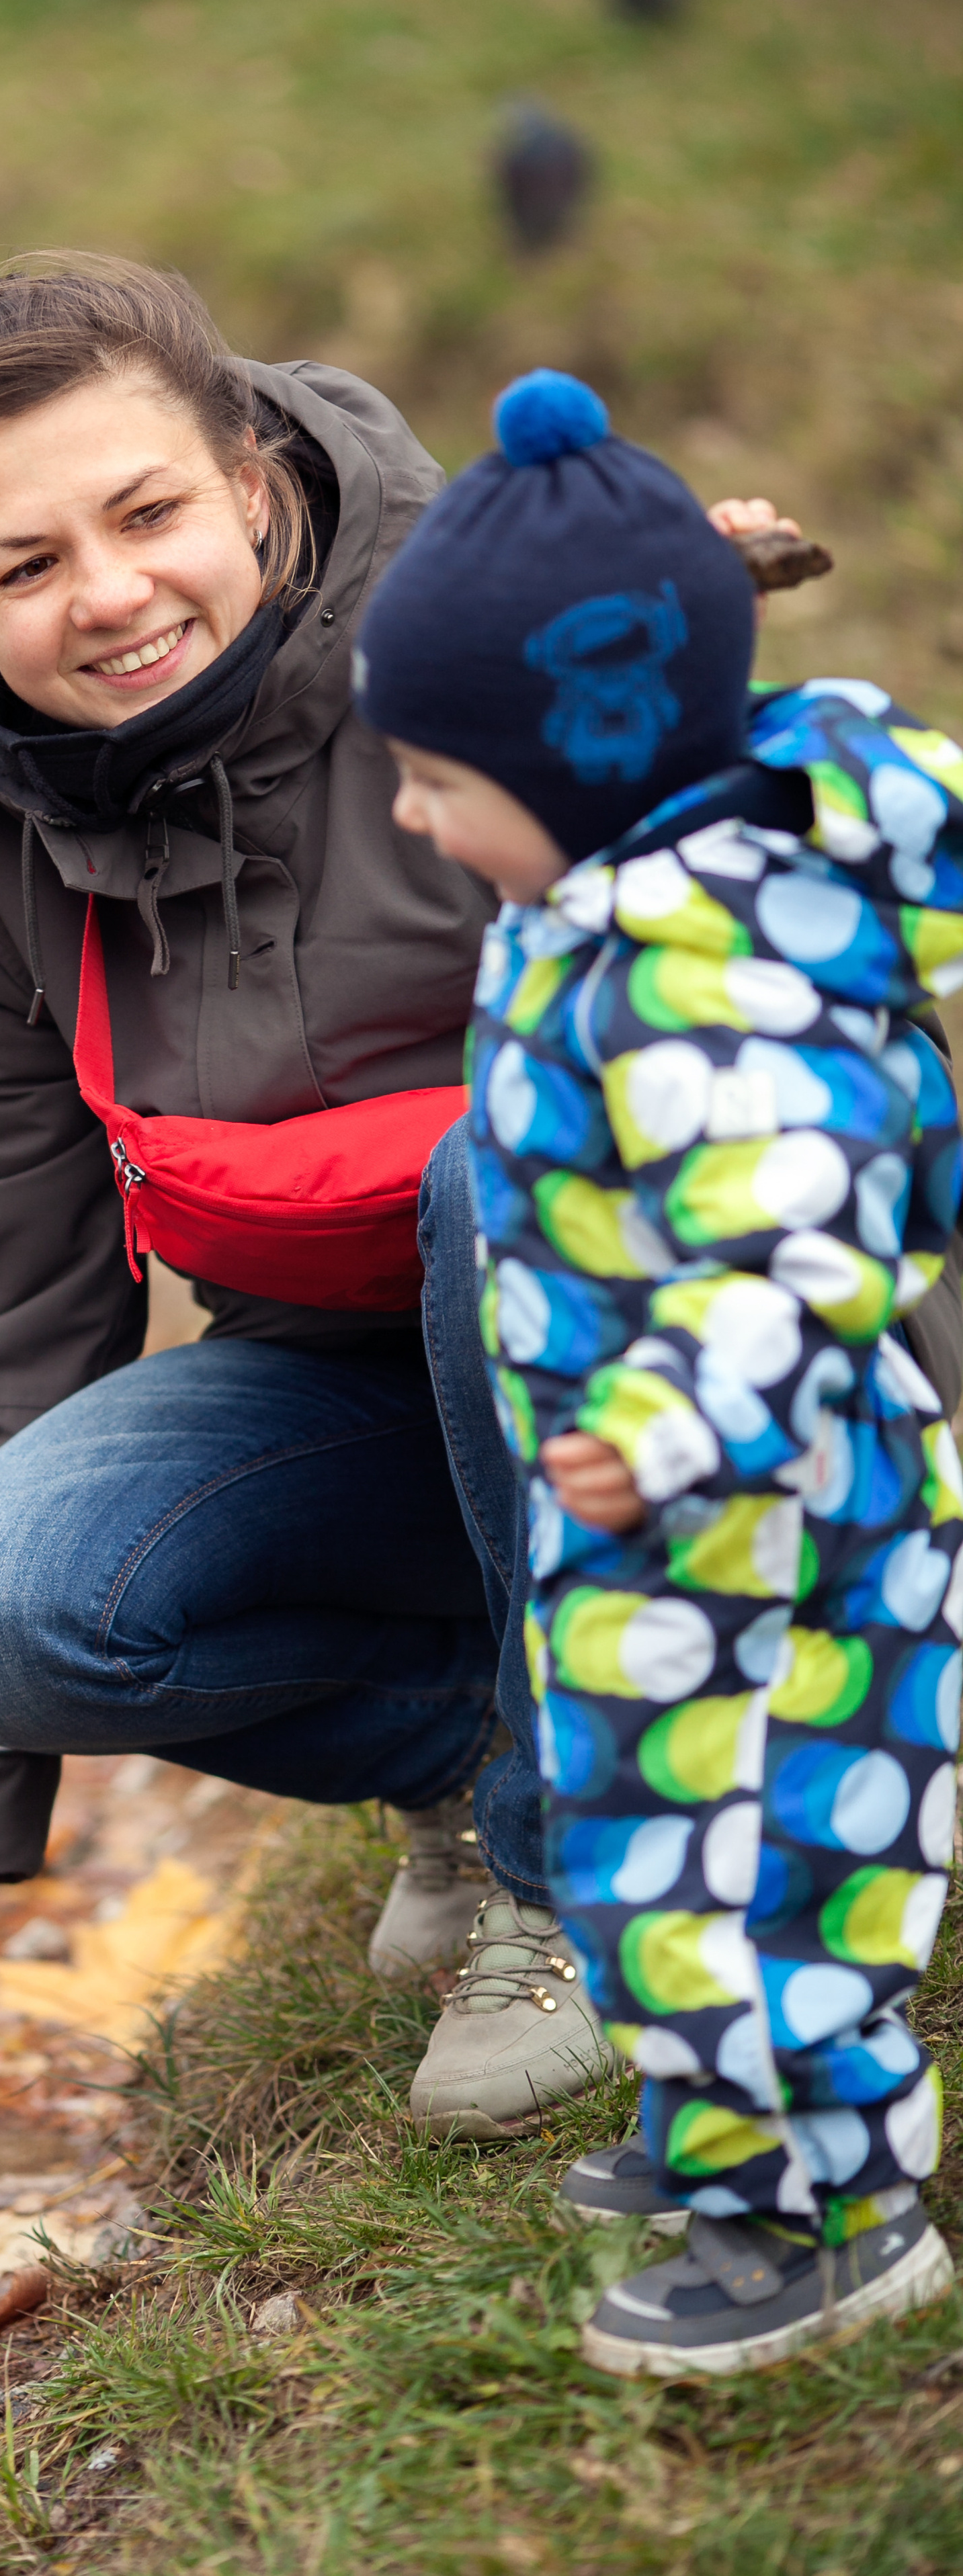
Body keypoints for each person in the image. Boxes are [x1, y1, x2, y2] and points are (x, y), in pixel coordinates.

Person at [0, 256, 610, 2139]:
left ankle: (591, 1869)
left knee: (512, 1154)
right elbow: (7, 1317)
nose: (108, 595)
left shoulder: (511, 657)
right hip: (363, 1416)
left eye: (149, 511)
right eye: (26, 565)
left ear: (251, 479)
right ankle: (487, 1753)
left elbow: (767, 1100)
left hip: (671, 1381)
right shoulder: (2, 862)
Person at [352, 366, 962, 2374]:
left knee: (775, 1862)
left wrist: (672, 1425)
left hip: (767, 1513)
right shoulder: (608, 883)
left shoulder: (708, 967)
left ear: (590, 744)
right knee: (643, 1838)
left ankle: (838, 2221)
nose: (414, 819)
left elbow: (797, 1234)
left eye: (439, 779)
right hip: (655, 1502)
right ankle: (722, 2145)